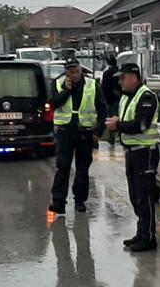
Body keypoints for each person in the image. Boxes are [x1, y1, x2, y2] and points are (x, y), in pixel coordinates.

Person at [105, 63, 160, 252]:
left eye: (123, 77)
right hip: (132, 152)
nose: (120, 81)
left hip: (145, 152)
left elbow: (142, 125)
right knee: (135, 196)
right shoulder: (127, 97)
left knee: (144, 196)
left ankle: (149, 238)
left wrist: (118, 125)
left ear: (134, 78)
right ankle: (142, 232)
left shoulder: (146, 96)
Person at [49, 57, 107, 214]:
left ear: (80, 70)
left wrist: (98, 132)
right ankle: (59, 201)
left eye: (76, 71)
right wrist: (66, 91)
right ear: (66, 72)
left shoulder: (92, 85)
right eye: (70, 72)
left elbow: (102, 109)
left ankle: (80, 200)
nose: (74, 75)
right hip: (65, 132)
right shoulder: (58, 83)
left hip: (85, 132)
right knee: (63, 166)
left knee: (82, 168)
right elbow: (53, 103)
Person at [100, 54, 122, 147]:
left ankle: (112, 138)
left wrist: (104, 100)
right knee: (121, 118)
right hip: (121, 100)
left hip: (110, 101)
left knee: (112, 119)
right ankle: (120, 137)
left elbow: (104, 88)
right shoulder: (120, 72)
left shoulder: (107, 73)